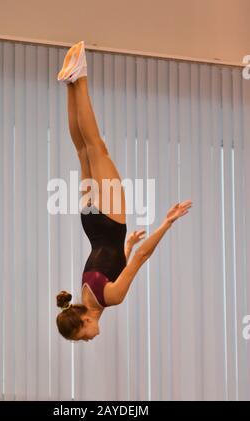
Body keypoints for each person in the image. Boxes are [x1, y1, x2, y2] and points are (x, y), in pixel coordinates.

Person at [56, 41, 192, 342]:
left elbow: (141, 257)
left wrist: (168, 223)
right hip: (91, 222)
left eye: (84, 336)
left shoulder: (111, 299)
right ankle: (70, 85)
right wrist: (127, 247)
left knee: (96, 148)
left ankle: (82, 77)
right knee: (82, 151)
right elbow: (113, 263)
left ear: (84, 321)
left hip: (109, 221)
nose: (90, 338)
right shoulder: (84, 293)